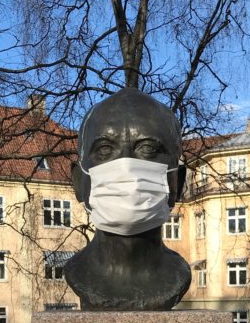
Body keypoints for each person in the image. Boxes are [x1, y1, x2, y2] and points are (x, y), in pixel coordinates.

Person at [64, 88, 191, 310]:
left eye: (148, 149)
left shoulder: (179, 276)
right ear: (78, 182)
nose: (127, 169)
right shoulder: (77, 272)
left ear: (177, 182)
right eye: (104, 149)